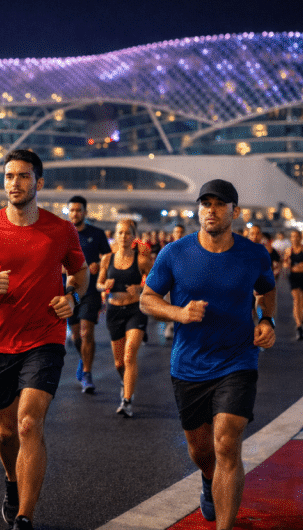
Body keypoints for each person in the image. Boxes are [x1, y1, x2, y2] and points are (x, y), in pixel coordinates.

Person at [0, 149, 88, 530]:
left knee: (28, 424)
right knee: (6, 431)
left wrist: (73, 298)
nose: (15, 183)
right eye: (9, 176)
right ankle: (12, 480)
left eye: (23, 176)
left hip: (45, 338)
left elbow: (80, 273)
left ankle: (25, 516)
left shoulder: (61, 230)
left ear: (38, 182)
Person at [140, 178, 276, 530]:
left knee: (227, 443)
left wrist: (267, 320)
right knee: (201, 451)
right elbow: (147, 300)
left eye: (219, 204)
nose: (211, 210)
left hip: (238, 360)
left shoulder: (254, 254)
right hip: (189, 365)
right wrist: (178, 313)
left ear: (235, 211)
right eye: (205, 204)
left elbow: (267, 291)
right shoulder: (175, 253)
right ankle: (207, 478)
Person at [97, 219, 152, 416]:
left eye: (127, 233)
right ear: (115, 235)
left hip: (135, 310)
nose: (123, 236)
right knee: (119, 363)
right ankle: (125, 381)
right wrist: (104, 286)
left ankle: (127, 401)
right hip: (114, 311)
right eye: (120, 233)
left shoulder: (141, 260)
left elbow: (156, 283)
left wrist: (140, 288)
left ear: (133, 237)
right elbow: (99, 284)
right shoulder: (107, 259)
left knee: (129, 356)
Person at [66, 195, 112, 394]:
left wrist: (99, 265)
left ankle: (87, 373)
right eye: (72, 210)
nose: (75, 213)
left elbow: (108, 257)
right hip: (71, 293)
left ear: (85, 212)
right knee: (76, 335)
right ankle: (83, 359)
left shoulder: (97, 234)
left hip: (91, 291)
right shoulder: (62, 234)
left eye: (79, 210)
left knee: (87, 332)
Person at [283, 230, 303, 340]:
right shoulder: (288, 250)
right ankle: (299, 326)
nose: (294, 238)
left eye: (297, 236)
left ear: (300, 238)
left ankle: (302, 318)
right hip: (294, 277)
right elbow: (285, 263)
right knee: (297, 300)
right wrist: (287, 264)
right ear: (290, 238)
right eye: (292, 236)